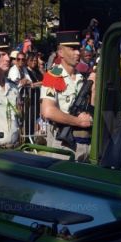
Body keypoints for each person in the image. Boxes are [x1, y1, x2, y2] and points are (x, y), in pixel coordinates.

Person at [39, 30, 93, 161]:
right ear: (61, 52)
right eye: (72, 48)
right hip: (63, 143)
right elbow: (48, 111)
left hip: (85, 142)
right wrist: (78, 121)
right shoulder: (53, 75)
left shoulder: (82, 76)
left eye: (77, 48)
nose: (77, 52)